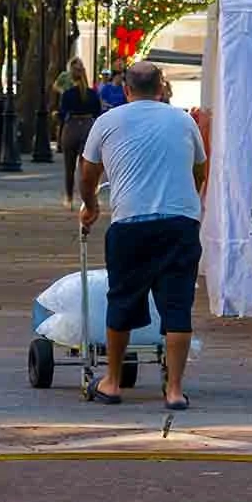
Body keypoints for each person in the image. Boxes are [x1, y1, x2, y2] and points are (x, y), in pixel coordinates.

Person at [76, 60, 207, 410]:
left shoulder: (107, 122)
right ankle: (175, 390)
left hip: (130, 223)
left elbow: (87, 174)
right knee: (177, 304)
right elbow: (199, 169)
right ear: (162, 89)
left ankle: (113, 381)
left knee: (122, 299)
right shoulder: (182, 120)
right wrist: (188, 200)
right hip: (180, 223)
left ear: (126, 90)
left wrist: (90, 206)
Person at [56, 57, 101, 206]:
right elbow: (98, 113)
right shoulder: (92, 94)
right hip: (88, 127)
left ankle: (69, 198)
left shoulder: (67, 94)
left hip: (71, 128)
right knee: (86, 167)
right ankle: (88, 198)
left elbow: (62, 114)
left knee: (69, 167)